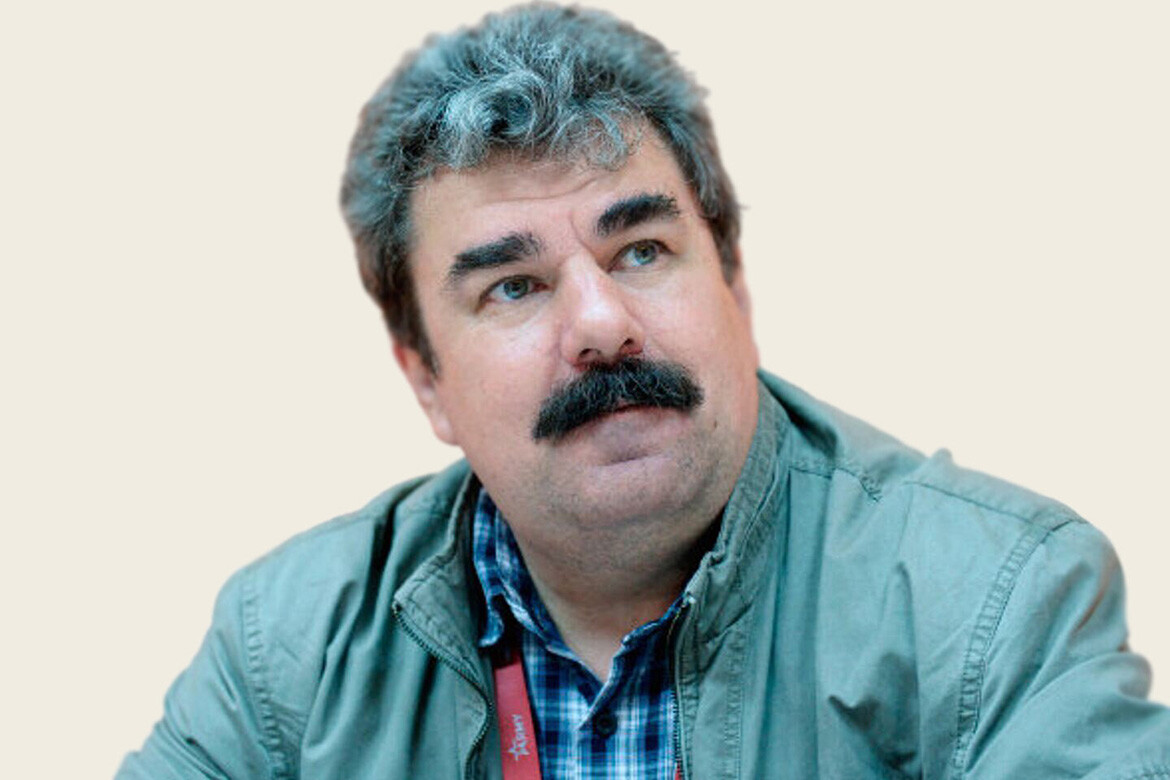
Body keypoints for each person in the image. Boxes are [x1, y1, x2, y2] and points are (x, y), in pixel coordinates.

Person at [118, 5, 1170, 778]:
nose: (601, 323)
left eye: (642, 251)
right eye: (513, 284)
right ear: (426, 380)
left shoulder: (992, 607)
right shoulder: (287, 653)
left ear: (735, 288)